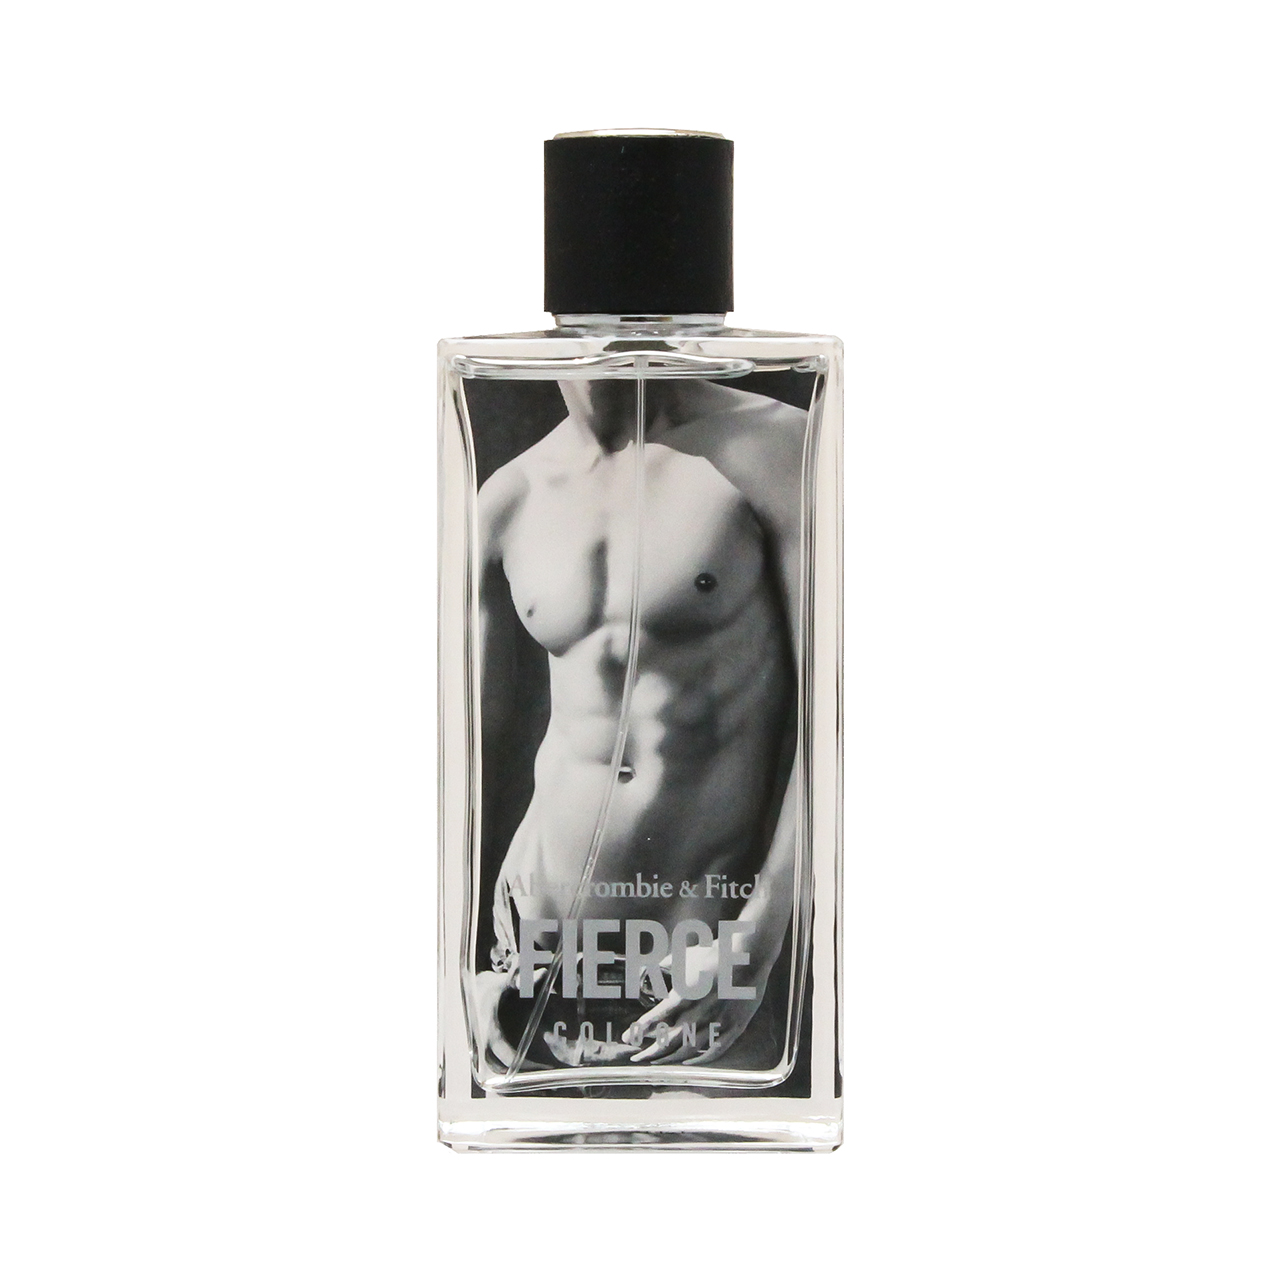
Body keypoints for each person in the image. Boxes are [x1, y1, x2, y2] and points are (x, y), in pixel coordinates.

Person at [472, 375, 804, 1071]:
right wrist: (454, 969)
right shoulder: (509, 497)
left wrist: (762, 932)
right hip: (532, 967)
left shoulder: (778, 448)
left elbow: (838, 716)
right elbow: (463, 755)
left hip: (706, 959)